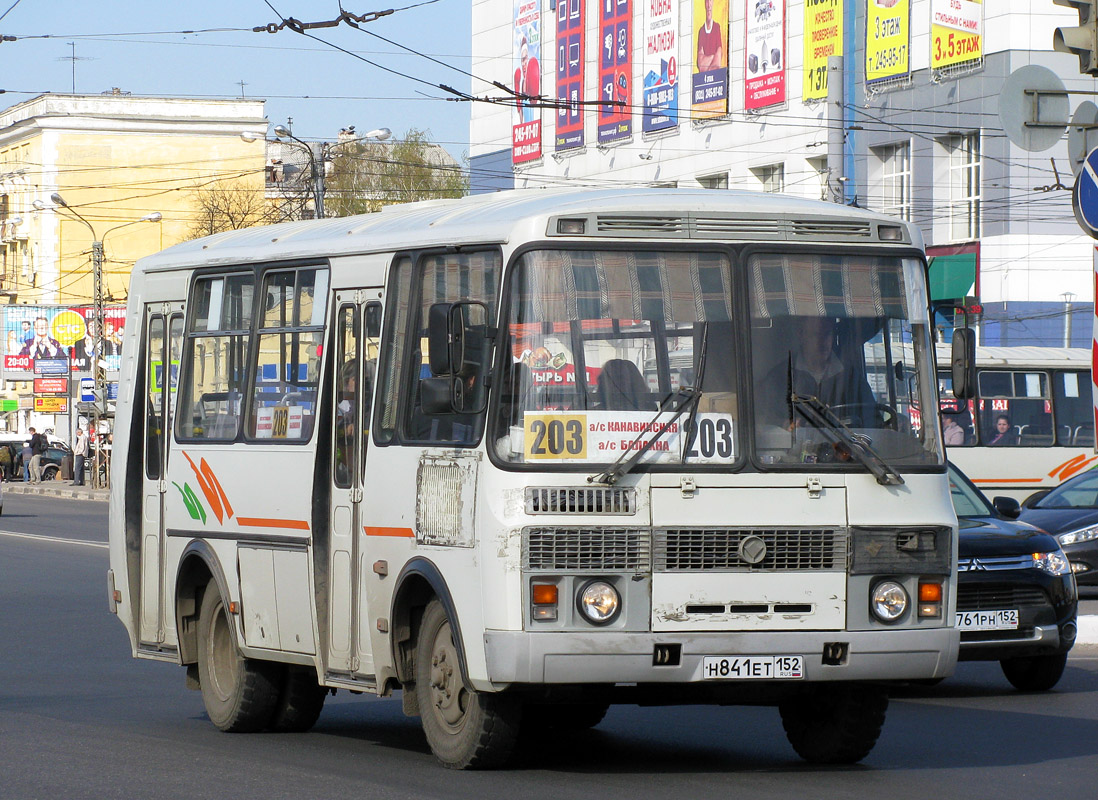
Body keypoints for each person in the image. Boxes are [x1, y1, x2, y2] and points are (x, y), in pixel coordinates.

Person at [763, 316, 876, 429]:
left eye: (827, 334)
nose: (823, 341)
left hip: (842, 446)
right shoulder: (779, 378)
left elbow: (874, 423)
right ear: (801, 335)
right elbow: (764, 422)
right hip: (797, 446)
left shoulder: (852, 379)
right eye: (816, 334)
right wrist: (786, 424)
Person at [514, 36, 540, 123]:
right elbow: (520, 112)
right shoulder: (521, 82)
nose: (524, 63)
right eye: (522, 60)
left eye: (525, 59)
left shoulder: (532, 78)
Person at [697, 0, 724, 72]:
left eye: (710, 1)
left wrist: (706, 60)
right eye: (707, 1)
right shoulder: (701, 31)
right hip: (703, 80)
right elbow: (701, 66)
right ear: (705, 4)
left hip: (716, 79)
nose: (709, 5)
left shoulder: (716, 27)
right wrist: (712, 57)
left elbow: (718, 63)